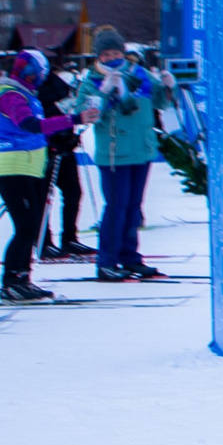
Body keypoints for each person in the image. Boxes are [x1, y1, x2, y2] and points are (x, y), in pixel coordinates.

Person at [0, 51, 93, 301]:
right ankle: (11, 282)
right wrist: (73, 119)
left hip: (28, 169)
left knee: (31, 228)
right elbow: (30, 124)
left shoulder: (24, 95)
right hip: (13, 170)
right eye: (38, 73)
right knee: (26, 228)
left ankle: (22, 278)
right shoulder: (11, 95)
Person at [75, 27, 165, 281]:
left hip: (142, 150)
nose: (111, 57)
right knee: (116, 207)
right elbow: (87, 114)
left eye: (115, 52)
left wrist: (166, 86)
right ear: (98, 57)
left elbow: (160, 102)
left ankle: (130, 257)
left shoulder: (139, 74)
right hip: (114, 153)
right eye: (105, 54)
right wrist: (104, 92)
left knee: (134, 207)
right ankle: (107, 261)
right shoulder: (91, 81)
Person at [38, 50, 95, 258]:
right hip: (46, 147)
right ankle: (44, 241)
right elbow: (41, 116)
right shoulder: (36, 85)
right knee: (44, 195)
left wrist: (72, 134)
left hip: (65, 145)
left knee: (73, 192)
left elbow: (69, 108)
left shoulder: (61, 82)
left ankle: (69, 238)